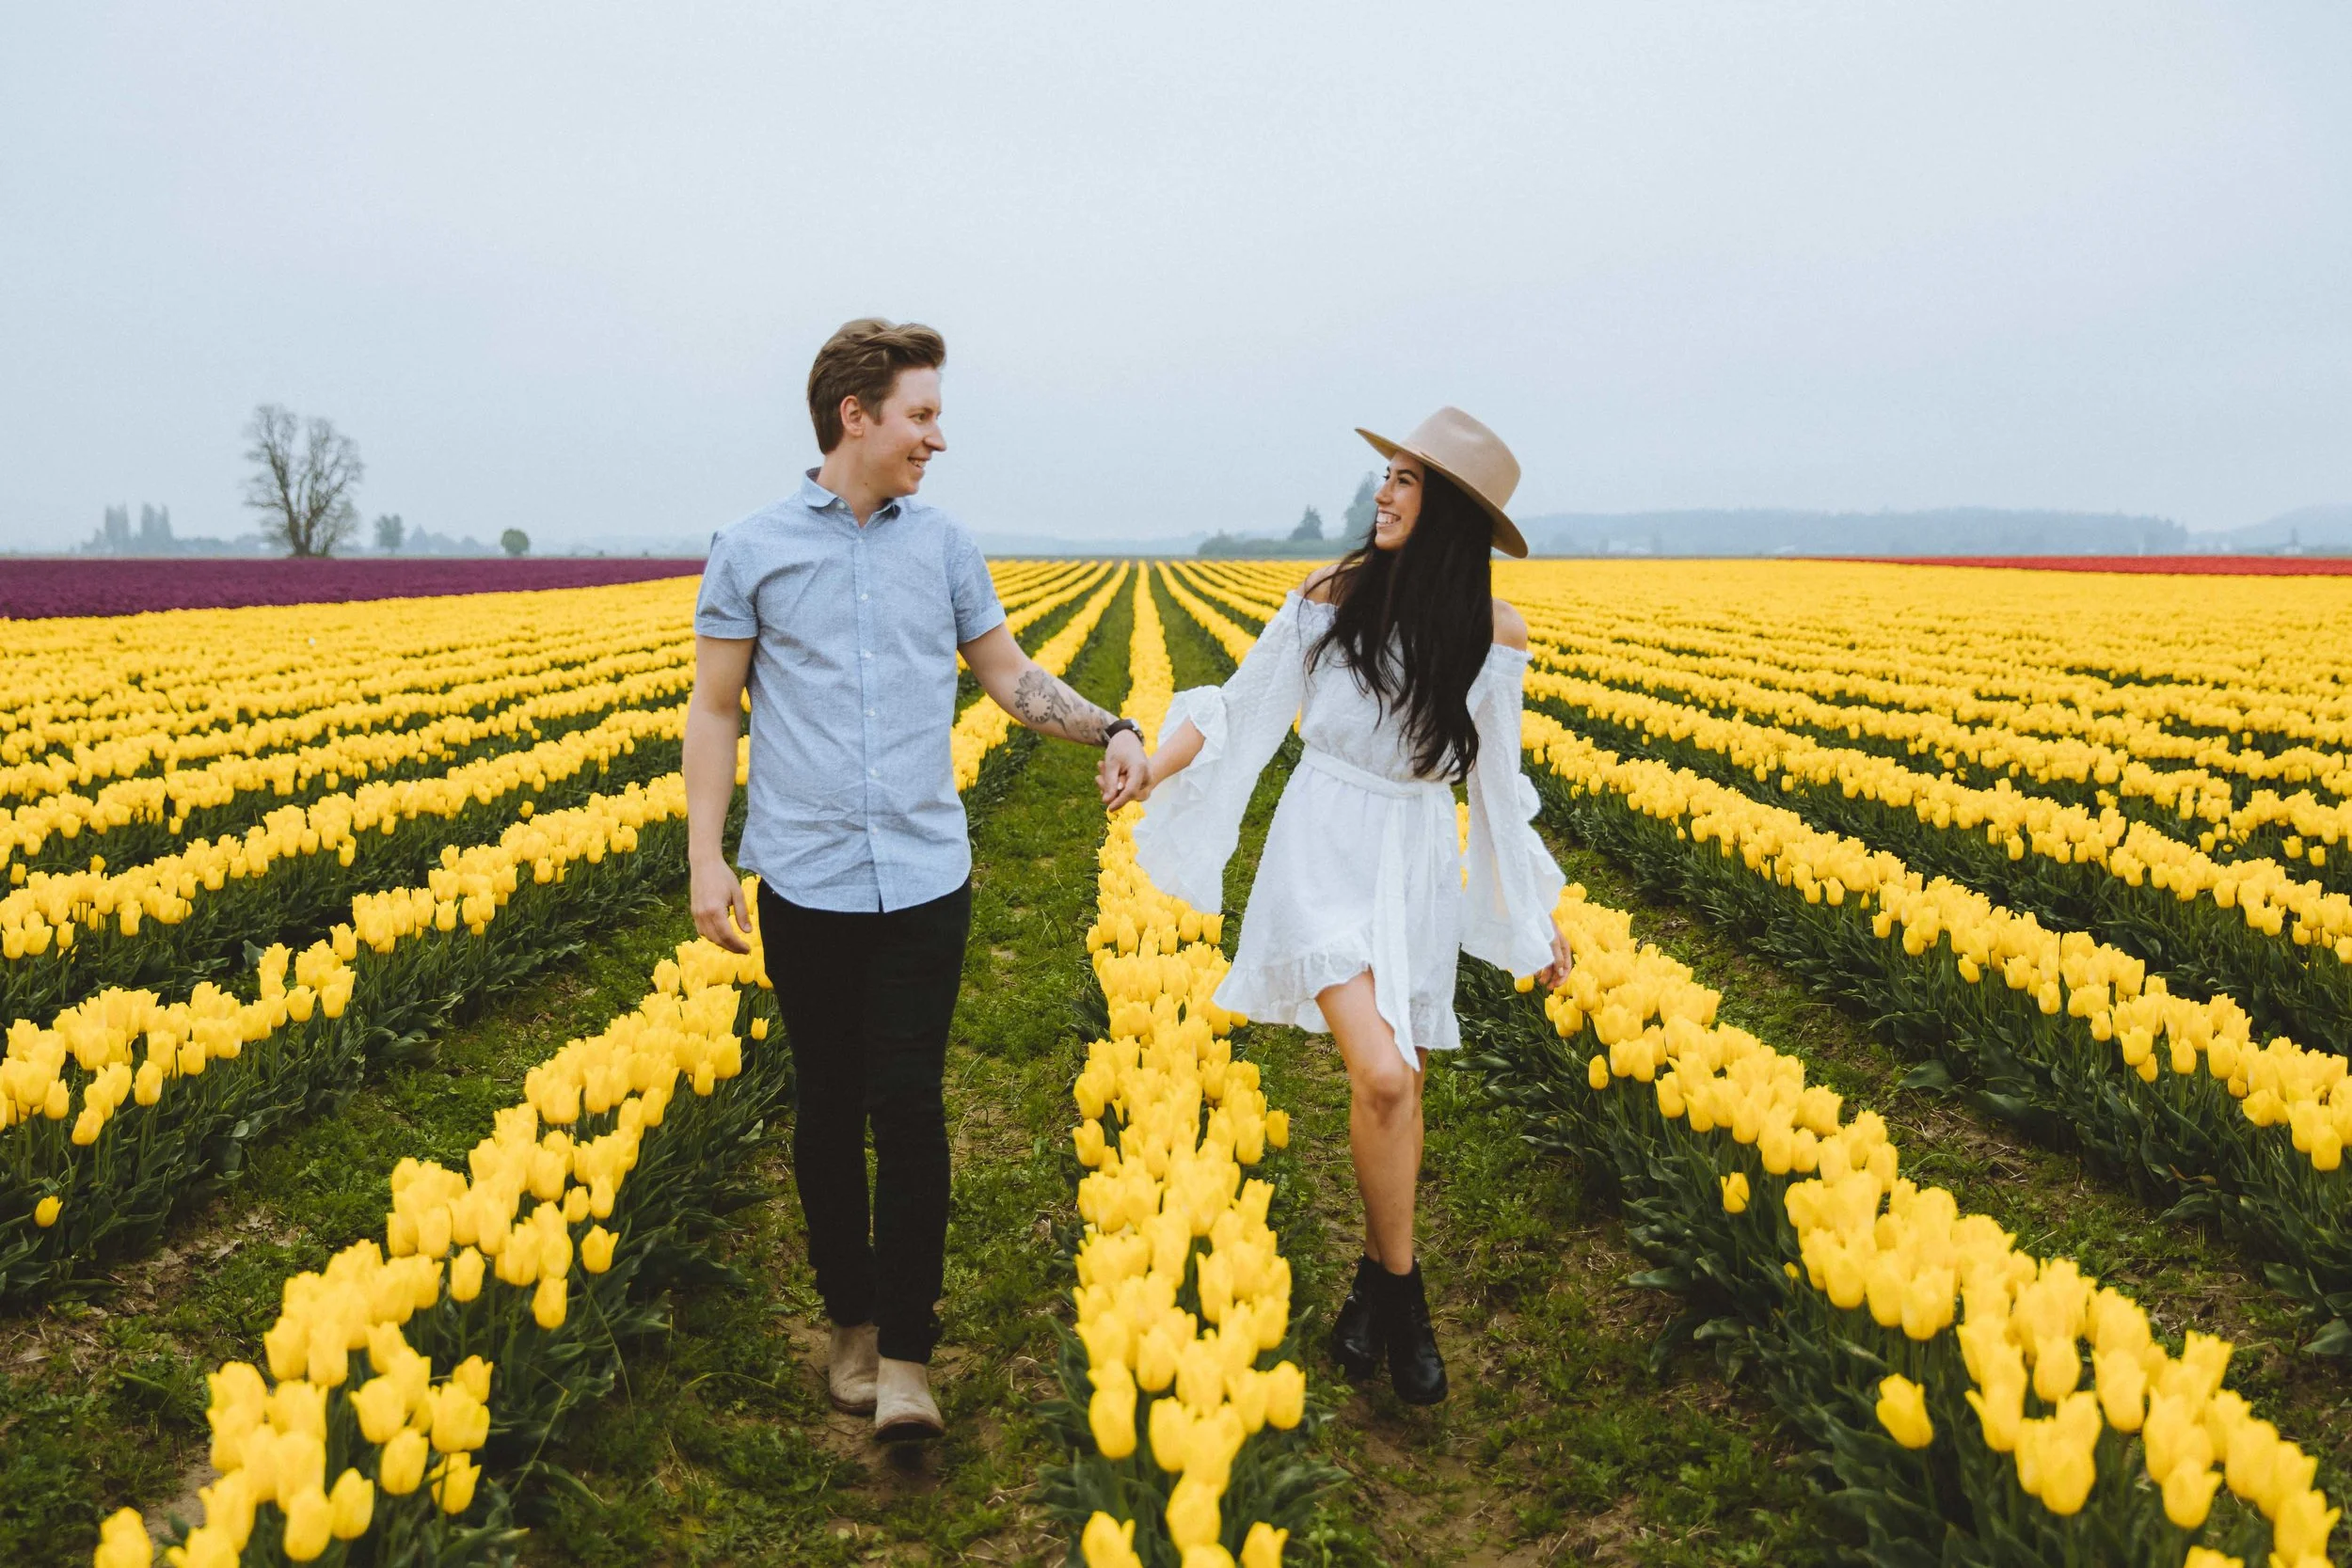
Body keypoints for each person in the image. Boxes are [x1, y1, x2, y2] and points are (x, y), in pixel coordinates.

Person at [683, 317, 1150, 1442]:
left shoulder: (941, 546)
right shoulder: (749, 548)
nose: (938, 437)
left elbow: (1008, 676)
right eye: (922, 415)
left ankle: (905, 1354)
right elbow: (713, 708)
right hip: (805, 876)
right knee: (829, 1105)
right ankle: (847, 1319)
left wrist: (1114, 727)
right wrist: (706, 855)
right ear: (859, 415)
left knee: (909, 1100)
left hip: (925, 879)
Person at [1123, 406, 1572, 1404]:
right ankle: (1404, 1293)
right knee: (1378, 1073)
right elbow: (1242, 708)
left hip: (1411, 851)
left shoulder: (1495, 634)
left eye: (1407, 480)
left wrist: (1534, 916)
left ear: (1448, 510)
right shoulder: (1329, 598)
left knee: (1399, 1085)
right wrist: (1152, 766)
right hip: (1323, 840)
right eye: (1389, 475)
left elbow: (1497, 783)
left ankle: (1375, 1285)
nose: (1383, 491)